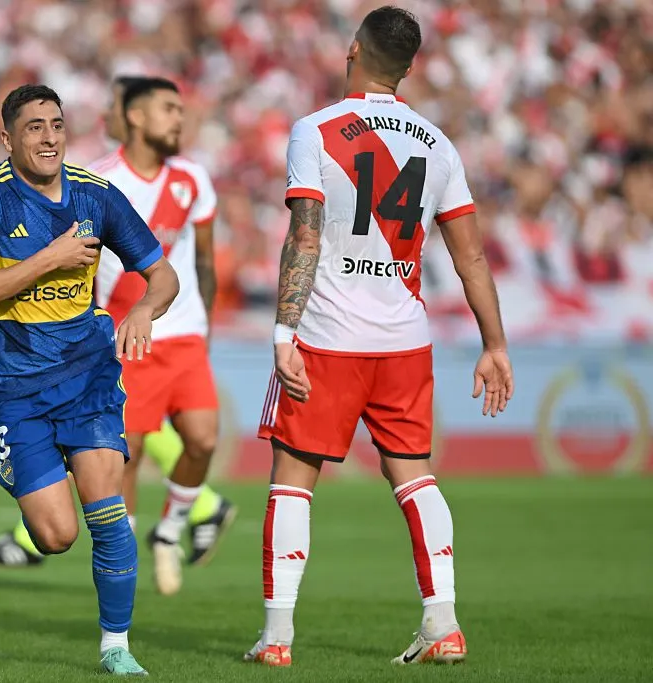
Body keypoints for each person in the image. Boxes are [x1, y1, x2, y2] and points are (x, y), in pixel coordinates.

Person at [244, 6, 515, 668]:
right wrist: (495, 343)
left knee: (291, 480)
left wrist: (284, 330)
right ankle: (443, 622)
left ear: (352, 49)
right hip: (403, 336)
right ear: (410, 66)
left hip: (329, 335)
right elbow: (471, 256)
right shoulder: (437, 142)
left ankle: (277, 637)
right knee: (415, 476)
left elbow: (305, 230)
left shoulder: (315, 129)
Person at [0, 84, 179, 676]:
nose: (49, 137)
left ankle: (116, 647)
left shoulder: (97, 195)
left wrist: (145, 309)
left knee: (109, 511)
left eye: (56, 124)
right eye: (34, 128)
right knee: (55, 536)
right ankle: (25, 475)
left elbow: (163, 275)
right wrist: (51, 257)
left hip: (88, 374)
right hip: (14, 387)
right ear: (8, 139)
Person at [0, 76, 237, 576]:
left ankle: (175, 523)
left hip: (179, 330)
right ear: (136, 117)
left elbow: (199, 261)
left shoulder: (193, 180)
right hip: (117, 337)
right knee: (124, 453)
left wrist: (204, 322)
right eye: (169, 109)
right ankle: (119, 547)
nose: (180, 119)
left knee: (202, 439)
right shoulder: (97, 181)